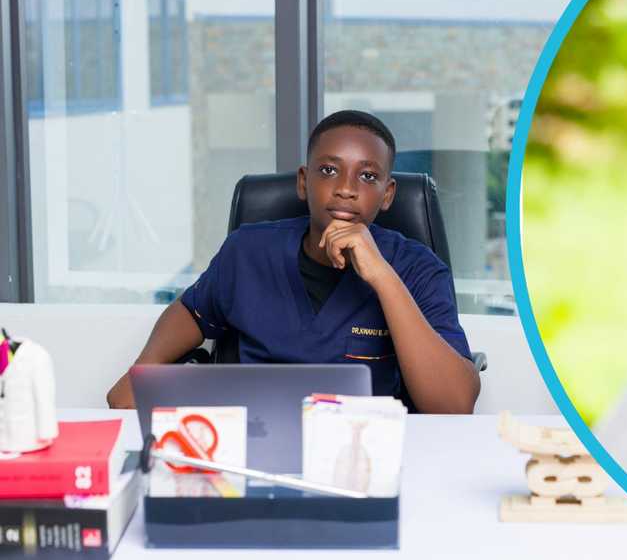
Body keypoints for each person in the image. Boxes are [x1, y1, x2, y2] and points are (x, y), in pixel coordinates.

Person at [107, 110, 480, 414]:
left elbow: (454, 406)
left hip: (365, 455)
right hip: (256, 443)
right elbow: (192, 310)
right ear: (303, 182)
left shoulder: (418, 268)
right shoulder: (247, 251)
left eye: (368, 176)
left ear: (387, 194)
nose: (346, 188)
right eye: (329, 170)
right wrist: (143, 370)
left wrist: (382, 276)